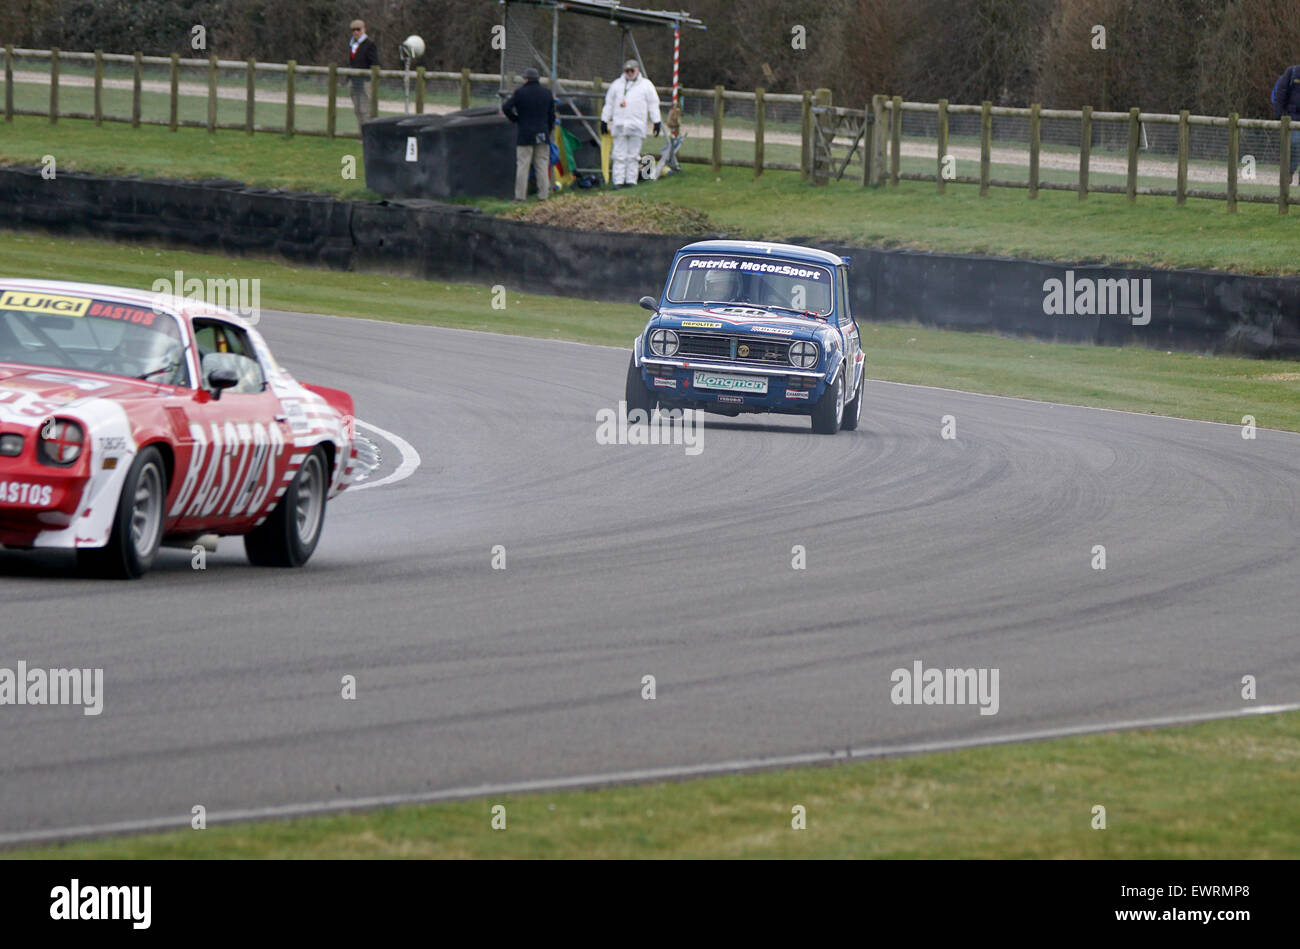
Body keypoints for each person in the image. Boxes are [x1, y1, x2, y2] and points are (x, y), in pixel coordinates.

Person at [601, 59, 662, 188]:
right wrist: (604, 120)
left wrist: (656, 121)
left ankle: (631, 181)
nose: (629, 73)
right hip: (620, 126)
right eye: (627, 71)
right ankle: (618, 181)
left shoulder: (646, 85)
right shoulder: (616, 85)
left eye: (632, 70)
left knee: (633, 156)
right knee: (619, 155)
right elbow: (609, 104)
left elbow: (653, 104)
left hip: (637, 126)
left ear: (637, 70)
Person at [501, 67, 556, 202]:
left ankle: (520, 197)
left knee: (523, 165)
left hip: (525, 133)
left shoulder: (520, 93)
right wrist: (547, 130)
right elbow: (552, 116)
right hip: (542, 133)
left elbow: (506, 107)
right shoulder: (547, 93)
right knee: (542, 165)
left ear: (525, 79)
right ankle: (543, 196)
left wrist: (515, 119)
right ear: (538, 79)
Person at [347, 19, 380, 131]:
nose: (356, 32)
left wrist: (367, 76)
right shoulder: (352, 44)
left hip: (365, 81)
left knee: (365, 109)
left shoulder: (370, 44)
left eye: (358, 29)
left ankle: (367, 134)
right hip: (354, 81)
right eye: (353, 30)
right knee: (357, 109)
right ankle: (361, 133)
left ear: (363, 29)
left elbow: (375, 64)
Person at [1271, 64, 1300, 184]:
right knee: (1293, 145)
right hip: (1293, 118)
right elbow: (1280, 92)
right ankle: (1289, 173)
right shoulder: (1292, 72)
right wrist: (1278, 115)